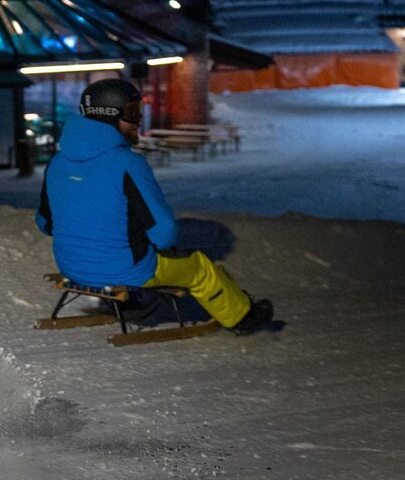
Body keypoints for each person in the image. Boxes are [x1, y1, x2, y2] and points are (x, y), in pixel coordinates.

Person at [36, 77, 274, 335]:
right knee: (200, 267)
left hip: (71, 266)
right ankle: (242, 318)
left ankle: (135, 301)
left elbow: (45, 223)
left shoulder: (57, 163)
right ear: (111, 115)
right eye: (133, 112)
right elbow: (164, 232)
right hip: (127, 269)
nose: (138, 120)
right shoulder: (128, 164)